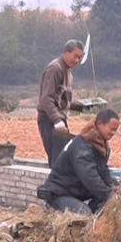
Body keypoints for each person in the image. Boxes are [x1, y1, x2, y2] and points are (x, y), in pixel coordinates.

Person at [36, 108, 120, 214]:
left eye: (115, 130)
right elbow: (90, 177)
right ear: (100, 124)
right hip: (60, 193)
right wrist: (110, 195)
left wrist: (112, 185)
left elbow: (103, 171)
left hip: (77, 191)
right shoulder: (82, 147)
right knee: (84, 214)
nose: (113, 133)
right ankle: (56, 210)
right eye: (111, 129)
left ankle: (94, 219)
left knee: (105, 205)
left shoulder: (100, 146)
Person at [36, 39, 84, 167]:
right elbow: (46, 99)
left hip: (59, 120)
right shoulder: (55, 68)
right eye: (75, 56)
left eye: (80, 57)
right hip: (50, 120)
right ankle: (54, 186)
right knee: (58, 161)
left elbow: (61, 100)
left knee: (64, 157)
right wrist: (57, 122)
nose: (76, 60)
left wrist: (82, 107)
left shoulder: (68, 72)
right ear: (66, 52)